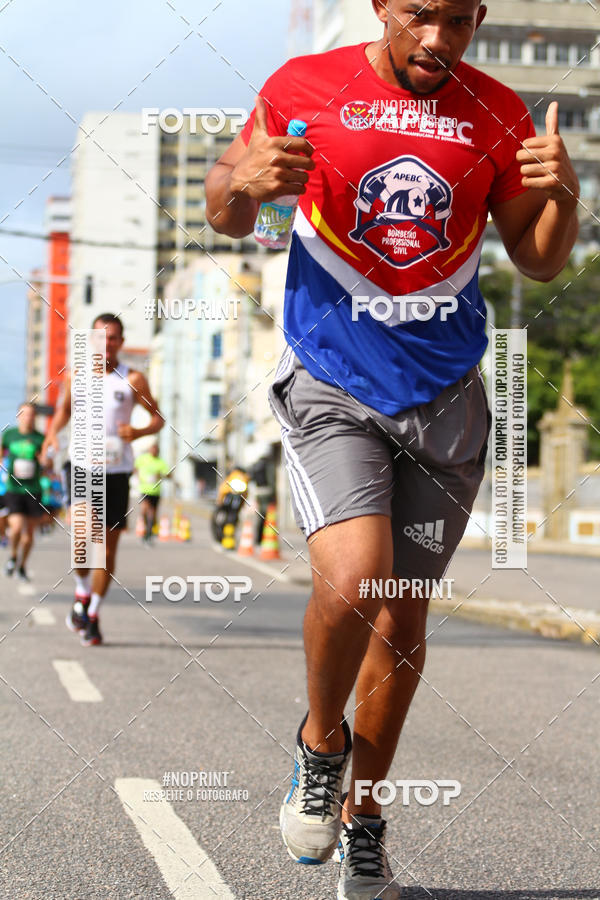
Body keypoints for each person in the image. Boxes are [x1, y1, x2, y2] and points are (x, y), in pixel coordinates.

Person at [206, 0, 579, 896]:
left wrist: (566, 195)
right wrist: (244, 180)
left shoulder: (497, 111)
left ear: (478, 17)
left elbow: (538, 259)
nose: (437, 39)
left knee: (404, 617)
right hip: (333, 378)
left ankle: (365, 819)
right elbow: (227, 211)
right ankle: (320, 746)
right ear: (380, 5)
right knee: (354, 581)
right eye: (419, 14)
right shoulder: (305, 86)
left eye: (459, 20)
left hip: (444, 395)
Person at [42, 313, 165, 646]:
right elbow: (64, 410)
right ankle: (82, 591)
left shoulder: (133, 379)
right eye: (100, 337)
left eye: (112, 338)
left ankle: (92, 613)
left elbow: (157, 419)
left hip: (117, 472)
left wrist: (138, 431)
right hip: (82, 466)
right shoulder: (76, 376)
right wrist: (51, 435)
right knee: (82, 538)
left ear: (120, 342)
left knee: (107, 551)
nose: (106, 344)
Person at [1, 402, 45, 582]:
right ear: (19, 416)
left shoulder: (40, 438)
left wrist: (44, 461)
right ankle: (13, 556)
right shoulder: (9, 435)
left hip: (33, 490)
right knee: (16, 528)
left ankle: (22, 565)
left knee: (28, 536)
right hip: (14, 489)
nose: (29, 418)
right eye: (25, 414)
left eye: (32, 415)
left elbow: (46, 461)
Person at [133, 442, 171, 544]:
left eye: (156, 450)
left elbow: (169, 475)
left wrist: (161, 475)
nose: (154, 451)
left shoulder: (161, 462)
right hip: (144, 490)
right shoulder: (143, 458)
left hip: (155, 491)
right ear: (149, 450)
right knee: (144, 511)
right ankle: (146, 530)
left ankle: (149, 534)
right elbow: (135, 468)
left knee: (152, 513)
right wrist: (138, 477)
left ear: (158, 451)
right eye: (152, 449)